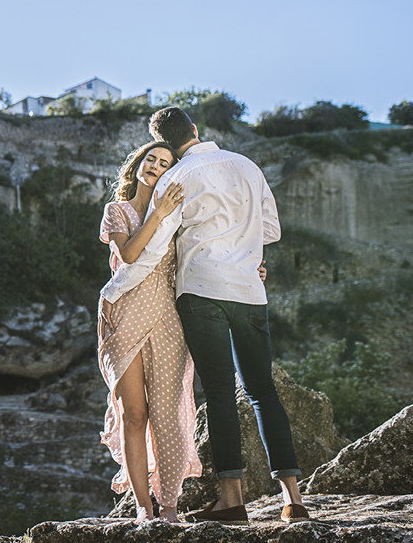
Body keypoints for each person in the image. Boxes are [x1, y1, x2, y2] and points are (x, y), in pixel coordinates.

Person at [101, 106, 309, 525]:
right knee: (262, 390)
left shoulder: (177, 178)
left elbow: (154, 249)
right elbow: (270, 229)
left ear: (169, 148)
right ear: (195, 130)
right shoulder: (246, 164)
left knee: (217, 392)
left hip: (199, 292)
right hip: (248, 289)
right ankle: (294, 498)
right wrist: (244, 252)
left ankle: (232, 500)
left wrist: (116, 287)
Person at [98, 140, 201, 523]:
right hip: (124, 315)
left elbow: (203, 252)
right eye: (151, 159)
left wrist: (253, 268)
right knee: (134, 415)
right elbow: (128, 255)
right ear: (138, 164)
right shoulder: (118, 211)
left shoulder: (177, 216)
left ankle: (170, 506)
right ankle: (144, 507)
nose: (156, 166)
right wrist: (156, 214)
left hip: (168, 321)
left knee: (167, 415)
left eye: (164, 163)